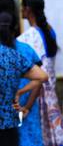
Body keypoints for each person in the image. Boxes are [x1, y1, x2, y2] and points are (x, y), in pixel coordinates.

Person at [17, 0, 63, 146]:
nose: (21, 10)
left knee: (38, 135)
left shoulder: (28, 37)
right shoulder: (50, 31)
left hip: (35, 95)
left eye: (22, 7)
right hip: (50, 92)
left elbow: (35, 75)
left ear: (28, 9)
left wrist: (27, 107)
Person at [0, 11, 48, 146]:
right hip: (19, 108)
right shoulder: (21, 51)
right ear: (15, 27)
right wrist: (25, 101)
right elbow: (41, 77)